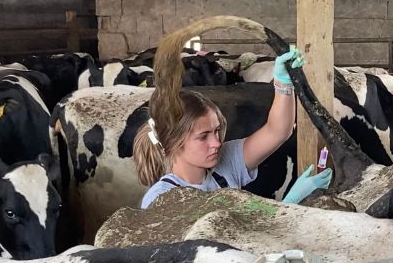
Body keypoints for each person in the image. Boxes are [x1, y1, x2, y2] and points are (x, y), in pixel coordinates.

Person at [133, 46, 332, 209]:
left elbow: (277, 131)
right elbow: (213, 247)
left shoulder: (224, 164)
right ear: (172, 143)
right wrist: (289, 204)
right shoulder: (161, 199)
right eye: (203, 137)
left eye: (217, 130)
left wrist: (283, 84)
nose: (217, 143)